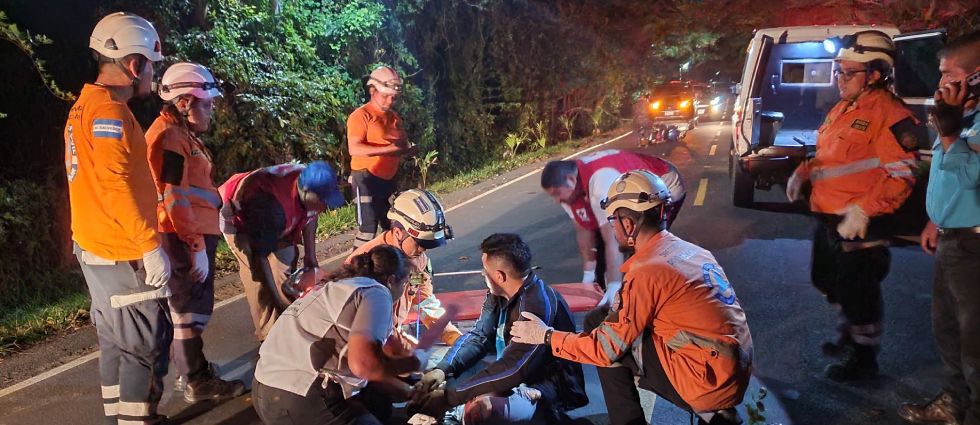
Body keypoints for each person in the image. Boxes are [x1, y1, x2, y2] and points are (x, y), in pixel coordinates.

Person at [513, 170, 753, 425]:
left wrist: (545, 335)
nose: (612, 225)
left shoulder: (649, 270)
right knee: (602, 319)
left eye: (613, 219)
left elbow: (604, 348)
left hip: (706, 381)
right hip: (732, 369)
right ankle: (715, 415)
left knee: (601, 335)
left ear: (628, 224)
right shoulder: (694, 252)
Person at [785, 30, 921, 381]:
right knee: (828, 279)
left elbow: (901, 175)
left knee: (860, 293)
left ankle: (863, 358)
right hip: (830, 216)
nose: (839, 79)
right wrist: (803, 172)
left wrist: (864, 210)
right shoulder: (844, 107)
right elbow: (829, 155)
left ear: (874, 74)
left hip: (862, 223)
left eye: (848, 73)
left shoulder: (889, 114)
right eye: (838, 71)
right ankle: (849, 334)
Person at [64, 12, 171, 423]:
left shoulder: (83, 106)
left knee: (115, 344)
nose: (152, 74)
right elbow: (115, 183)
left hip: (95, 246)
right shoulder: (108, 112)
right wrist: (149, 247)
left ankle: (118, 417)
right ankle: (135, 419)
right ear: (133, 65)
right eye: (151, 64)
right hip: (121, 250)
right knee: (143, 348)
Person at [145, 62, 246, 402]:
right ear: (185, 103)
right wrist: (194, 245)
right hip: (181, 238)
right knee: (190, 311)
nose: (212, 108)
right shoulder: (171, 138)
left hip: (188, 235)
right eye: (207, 102)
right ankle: (196, 380)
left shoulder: (179, 135)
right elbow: (173, 194)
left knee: (188, 309)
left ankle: (190, 372)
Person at [410, 233, 587, 424]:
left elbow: (514, 369)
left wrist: (450, 397)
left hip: (544, 386)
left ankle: (551, 418)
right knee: (439, 368)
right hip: (511, 373)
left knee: (480, 410)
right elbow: (479, 336)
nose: (482, 275)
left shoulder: (535, 307)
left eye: (484, 271)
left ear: (499, 276)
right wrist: (442, 370)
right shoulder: (499, 292)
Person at [898, 30, 980, 425]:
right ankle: (954, 404)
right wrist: (936, 219)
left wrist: (950, 132)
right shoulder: (964, 116)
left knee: (975, 344)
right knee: (948, 332)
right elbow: (947, 179)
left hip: (975, 247)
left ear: (976, 76)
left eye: (949, 74)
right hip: (953, 238)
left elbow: (970, 178)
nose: (940, 83)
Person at [253, 245, 422, 424]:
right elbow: (364, 366)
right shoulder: (376, 292)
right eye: (405, 284)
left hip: (266, 390)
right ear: (391, 280)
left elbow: (363, 373)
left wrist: (410, 392)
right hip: (301, 393)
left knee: (376, 402)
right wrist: (411, 364)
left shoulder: (336, 286)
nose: (405, 290)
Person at [540, 149, 685, 307]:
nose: (556, 200)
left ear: (570, 180)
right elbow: (583, 230)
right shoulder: (570, 190)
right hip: (628, 191)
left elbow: (613, 239)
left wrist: (614, 284)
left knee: (639, 242)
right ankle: (621, 289)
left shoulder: (601, 181)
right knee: (611, 245)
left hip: (663, 182)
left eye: (556, 193)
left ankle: (656, 293)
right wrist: (588, 276)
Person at [218, 161, 345, 341]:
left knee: (286, 268)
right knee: (258, 282)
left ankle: (289, 319)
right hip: (239, 219)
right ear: (307, 193)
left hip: (280, 216)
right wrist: (276, 303)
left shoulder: (311, 181)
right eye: (322, 200)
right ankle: (269, 335)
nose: (325, 206)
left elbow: (311, 218)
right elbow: (259, 261)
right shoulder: (271, 207)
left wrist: (311, 257)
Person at [346, 189, 462, 348]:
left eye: (427, 245)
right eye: (420, 243)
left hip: (389, 335)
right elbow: (363, 326)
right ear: (398, 233)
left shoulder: (418, 259)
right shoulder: (367, 265)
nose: (423, 250)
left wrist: (452, 336)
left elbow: (424, 299)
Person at [347, 65, 416, 249]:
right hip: (365, 178)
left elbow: (401, 144)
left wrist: (406, 149)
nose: (389, 101)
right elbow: (354, 148)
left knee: (393, 225)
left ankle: (394, 266)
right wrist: (389, 149)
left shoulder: (394, 118)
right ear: (372, 91)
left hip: (387, 180)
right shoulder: (361, 116)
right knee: (368, 228)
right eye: (385, 96)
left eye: (393, 97)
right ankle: (354, 267)